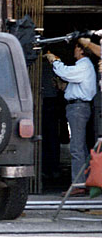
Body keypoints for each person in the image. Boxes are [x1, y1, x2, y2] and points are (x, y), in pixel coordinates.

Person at [44, 42, 97, 197]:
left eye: (75, 48)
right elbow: (72, 85)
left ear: (81, 50)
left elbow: (66, 73)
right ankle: (85, 181)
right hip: (78, 107)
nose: (73, 50)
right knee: (80, 147)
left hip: (78, 108)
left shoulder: (84, 65)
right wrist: (64, 87)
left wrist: (55, 61)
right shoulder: (83, 66)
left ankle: (79, 184)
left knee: (76, 148)